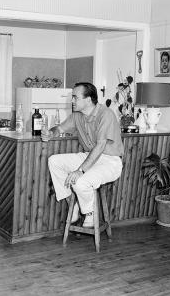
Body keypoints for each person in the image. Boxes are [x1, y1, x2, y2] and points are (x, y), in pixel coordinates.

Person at [44, 82, 124, 227]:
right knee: (54, 161)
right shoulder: (77, 116)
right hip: (89, 156)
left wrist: (80, 170)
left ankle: (89, 212)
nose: (72, 100)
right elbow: (59, 128)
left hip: (109, 161)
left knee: (80, 182)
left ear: (88, 100)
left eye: (75, 97)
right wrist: (51, 133)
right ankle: (73, 204)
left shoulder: (106, 114)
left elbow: (100, 146)